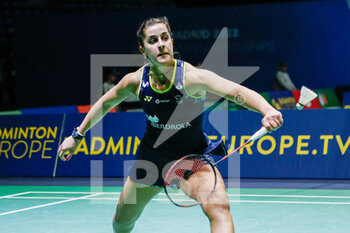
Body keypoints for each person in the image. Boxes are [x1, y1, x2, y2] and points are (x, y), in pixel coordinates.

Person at [58, 17, 283, 233]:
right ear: (143, 50)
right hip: (150, 161)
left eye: (165, 38)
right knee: (122, 222)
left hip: (191, 159)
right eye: (153, 41)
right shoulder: (136, 81)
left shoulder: (191, 77)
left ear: (172, 42)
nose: (161, 45)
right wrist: (76, 136)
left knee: (219, 206)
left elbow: (236, 92)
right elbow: (105, 103)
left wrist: (267, 109)